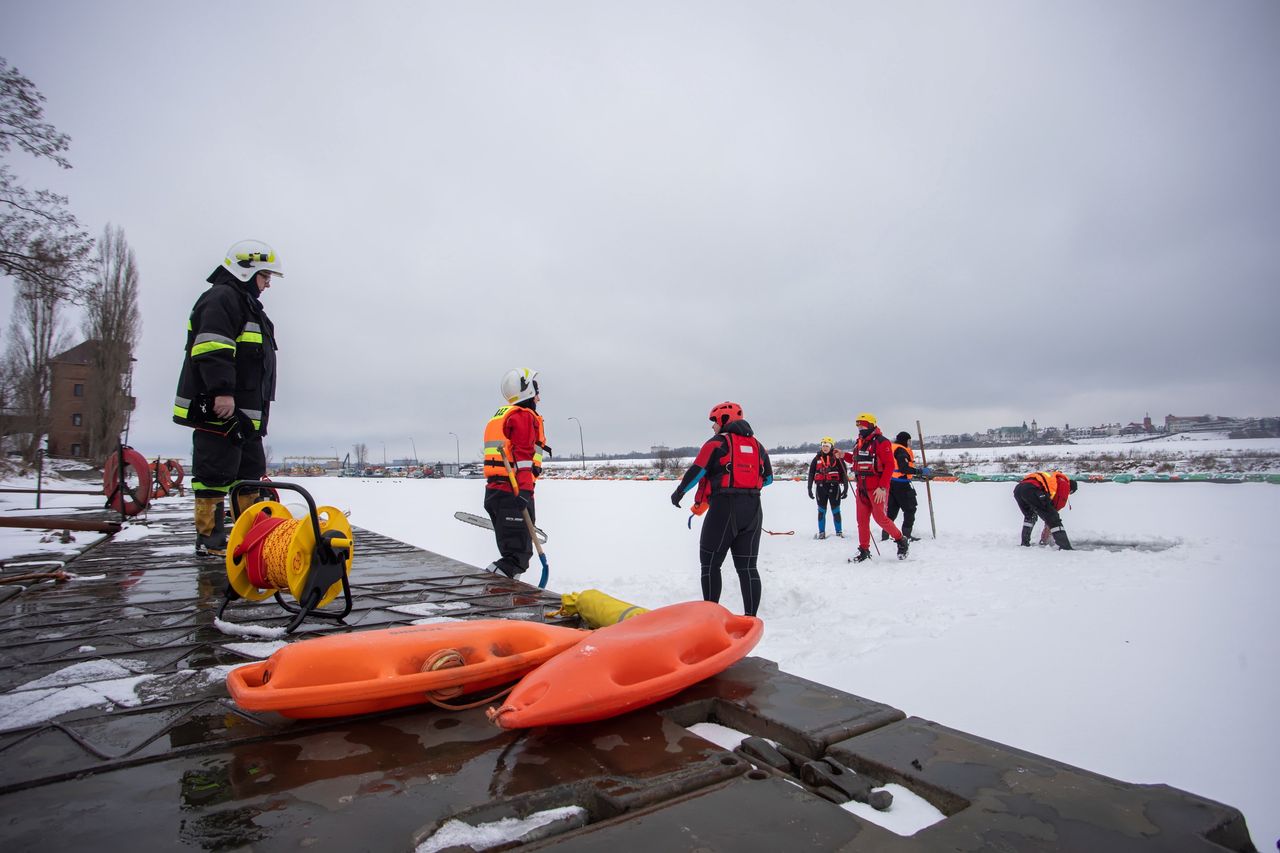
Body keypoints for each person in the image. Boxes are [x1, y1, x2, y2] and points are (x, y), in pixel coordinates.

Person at [173, 240, 281, 556]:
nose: (268, 283)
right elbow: (212, 347)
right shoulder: (222, 299)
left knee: (249, 474)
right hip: (220, 410)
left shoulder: (247, 306)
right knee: (214, 474)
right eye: (265, 276)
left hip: (245, 415)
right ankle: (210, 540)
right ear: (245, 270)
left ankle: (249, 537)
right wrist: (222, 391)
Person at [671, 401, 772, 617]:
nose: (712, 427)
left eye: (714, 422)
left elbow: (697, 471)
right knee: (747, 568)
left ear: (724, 420)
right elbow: (769, 478)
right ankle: (751, 620)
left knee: (709, 565)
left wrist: (679, 492)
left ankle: (710, 619)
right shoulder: (758, 446)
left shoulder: (717, 443)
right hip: (753, 509)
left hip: (724, 509)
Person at [481, 368, 551, 579]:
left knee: (513, 552)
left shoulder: (503, 415)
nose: (539, 397)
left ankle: (504, 591)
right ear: (527, 391)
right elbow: (523, 457)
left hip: (496, 492)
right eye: (536, 390)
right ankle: (492, 586)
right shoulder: (522, 417)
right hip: (513, 491)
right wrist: (524, 492)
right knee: (517, 557)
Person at [841, 413, 910, 562]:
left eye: (863, 425)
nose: (860, 428)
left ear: (871, 425)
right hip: (861, 488)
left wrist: (883, 487)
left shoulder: (881, 442)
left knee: (880, 519)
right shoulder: (858, 442)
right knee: (862, 521)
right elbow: (855, 459)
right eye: (858, 425)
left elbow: (889, 465)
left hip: (876, 489)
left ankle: (901, 540)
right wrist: (842, 455)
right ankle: (864, 550)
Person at [882, 430, 928, 542]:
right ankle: (907, 535)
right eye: (909, 440)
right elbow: (904, 468)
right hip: (902, 485)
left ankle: (886, 535)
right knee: (910, 509)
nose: (909, 443)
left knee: (891, 511)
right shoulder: (901, 451)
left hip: (891, 483)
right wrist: (920, 471)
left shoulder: (891, 447)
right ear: (905, 440)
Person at [1014, 470, 1077, 549]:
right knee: (1053, 518)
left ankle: (1025, 543)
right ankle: (1065, 546)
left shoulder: (1055, 478)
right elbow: (1054, 510)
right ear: (1070, 489)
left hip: (1019, 489)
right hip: (1032, 489)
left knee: (1030, 516)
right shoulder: (1064, 484)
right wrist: (1046, 534)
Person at [807, 436, 848, 539]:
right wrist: (809, 488)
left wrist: (846, 488)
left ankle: (839, 532)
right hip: (820, 488)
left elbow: (844, 473)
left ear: (831, 446)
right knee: (821, 511)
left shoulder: (836, 458)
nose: (825, 448)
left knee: (836, 510)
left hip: (834, 487)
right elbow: (811, 473)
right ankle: (821, 533)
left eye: (827, 446)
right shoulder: (816, 459)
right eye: (823, 446)